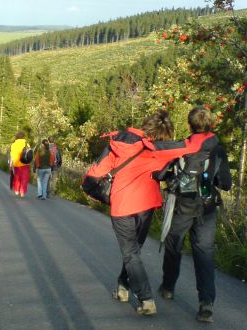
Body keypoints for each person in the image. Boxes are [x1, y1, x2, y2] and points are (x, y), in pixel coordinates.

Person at [83, 109, 218, 316]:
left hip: (122, 207)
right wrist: (209, 132)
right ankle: (122, 286)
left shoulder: (118, 144)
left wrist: (107, 198)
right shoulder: (160, 149)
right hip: (146, 205)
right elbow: (195, 144)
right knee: (133, 252)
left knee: (130, 253)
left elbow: (91, 178)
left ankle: (146, 299)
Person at [159, 106, 232, 323]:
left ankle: (168, 287)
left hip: (182, 205)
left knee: (174, 245)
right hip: (206, 209)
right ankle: (206, 304)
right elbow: (226, 184)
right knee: (205, 254)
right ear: (210, 124)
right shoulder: (217, 150)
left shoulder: (183, 146)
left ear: (190, 125)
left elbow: (162, 173)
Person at [9, 131, 31, 198]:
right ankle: (22, 191)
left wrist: (11, 163)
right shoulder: (26, 143)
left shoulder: (13, 144)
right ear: (23, 136)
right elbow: (29, 153)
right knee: (24, 178)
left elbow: (12, 155)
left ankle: (16, 190)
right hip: (25, 163)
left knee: (17, 177)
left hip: (16, 163)